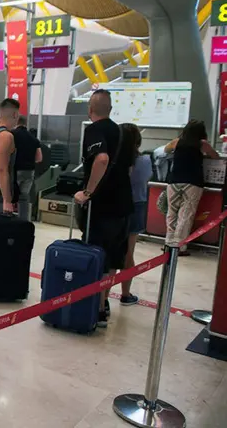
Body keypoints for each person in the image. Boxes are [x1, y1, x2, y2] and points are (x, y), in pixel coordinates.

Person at [74, 89, 135, 328]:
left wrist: (88, 192)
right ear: (110, 109)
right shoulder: (122, 132)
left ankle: (96, 310)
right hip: (123, 204)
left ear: (90, 110)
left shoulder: (94, 130)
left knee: (96, 254)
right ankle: (103, 303)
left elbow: (101, 159)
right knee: (112, 259)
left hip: (103, 206)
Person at [163, 120, 220, 256]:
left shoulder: (177, 141)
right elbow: (215, 156)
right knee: (185, 214)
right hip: (193, 183)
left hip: (174, 181)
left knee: (172, 213)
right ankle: (179, 246)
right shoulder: (202, 144)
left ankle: (168, 244)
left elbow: (165, 149)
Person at [121, 123, 150, 306]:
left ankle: (103, 297)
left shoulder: (115, 160)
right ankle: (126, 294)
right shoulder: (145, 161)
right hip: (137, 205)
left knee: (113, 251)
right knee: (129, 252)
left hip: (117, 206)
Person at [12, 115, 42, 221]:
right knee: (24, 197)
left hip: (15, 171)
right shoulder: (33, 138)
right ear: (26, 123)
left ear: (16, 122)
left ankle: (7, 219)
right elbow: (39, 158)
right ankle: (23, 221)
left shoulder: (11, 135)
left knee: (9, 195)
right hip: (29, 171)